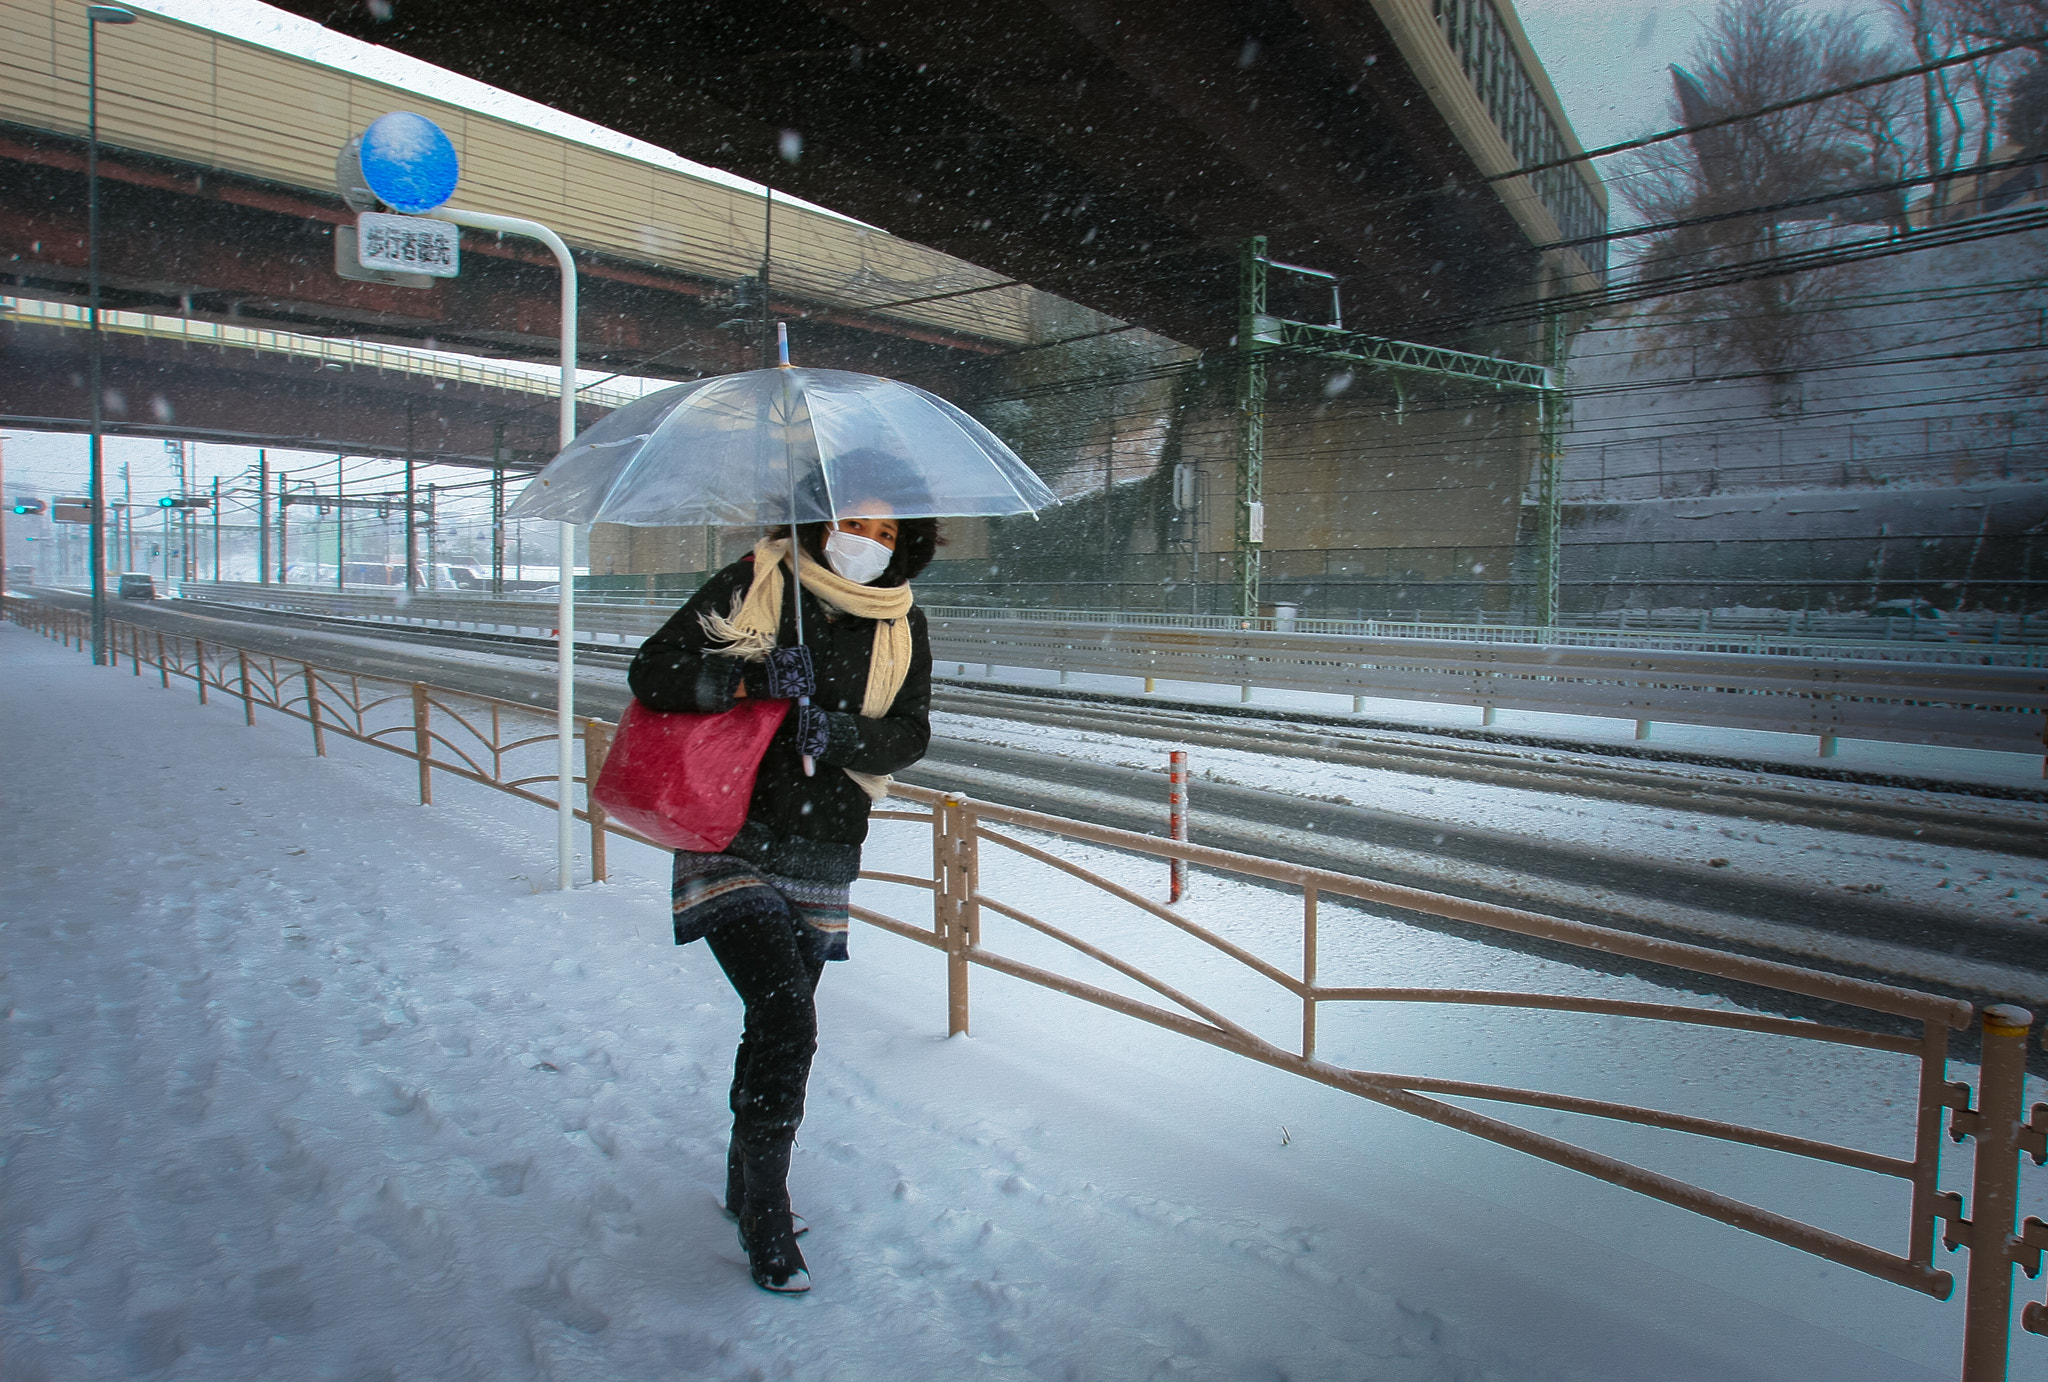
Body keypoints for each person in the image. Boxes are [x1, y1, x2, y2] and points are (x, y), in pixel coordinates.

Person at [627, 499, 939, 1294]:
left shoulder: (903, 624)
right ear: (820, 522)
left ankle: (742, 1176)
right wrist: (749, 678)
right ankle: (766, 1209)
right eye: (854, 524)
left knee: (775, 1018)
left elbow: (909, 732)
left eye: (885, 534)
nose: (865, 543)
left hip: (826, 845)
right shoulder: (760, 580)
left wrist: (831, 735)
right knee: (786, 1017)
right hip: (730, 830)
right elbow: (653, 672)